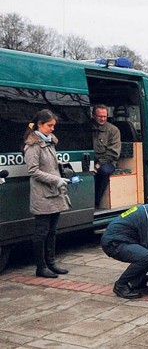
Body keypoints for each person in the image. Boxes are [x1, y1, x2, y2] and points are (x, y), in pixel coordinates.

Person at [23, 109, 71, 278]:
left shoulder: (49, 142)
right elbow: (33, 171)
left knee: (52, 231)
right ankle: (41, 266)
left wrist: (60, 165)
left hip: (53, 192)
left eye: (53, 125)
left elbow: (49, 164)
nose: (52, 129)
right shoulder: (32, 145)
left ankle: (51, 263)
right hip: (42, 194)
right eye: (49, 125)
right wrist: (55, 179)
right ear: (39, 125)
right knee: (41, 232)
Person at [92, 104, 121, 207]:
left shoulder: (113, 130)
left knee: (103, 171)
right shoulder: (87, 128)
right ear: (94, 115)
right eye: (100, 116)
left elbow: (113, 153)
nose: (102, 119)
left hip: (107, 162)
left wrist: (98, 164)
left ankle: (96, 202)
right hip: (90, 160)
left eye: (104, 116)